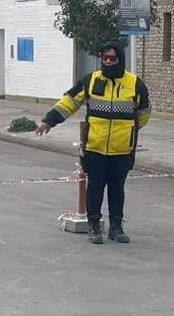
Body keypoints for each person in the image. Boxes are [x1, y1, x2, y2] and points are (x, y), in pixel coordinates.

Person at [37, 40, 151, 244]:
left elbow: (144, 113)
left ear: (120, 59)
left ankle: (116, 227)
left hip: (122, 149)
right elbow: (69, 101)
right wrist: (49, 121)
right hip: (95, 147)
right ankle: (94, 226)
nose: (108, 62)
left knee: (117, 188)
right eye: (104, 58)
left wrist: (129, 131)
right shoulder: (90, 80)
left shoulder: (135, 84)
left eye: (112, 59)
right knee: (95, 187)